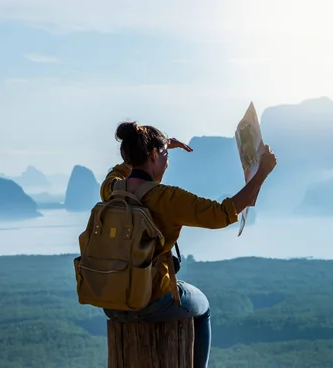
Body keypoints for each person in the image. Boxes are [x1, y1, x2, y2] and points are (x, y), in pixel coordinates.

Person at [99, 121, 277, 368]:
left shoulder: (112, 190)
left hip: (112, 300)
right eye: (163, 154)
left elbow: (118, 172)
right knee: (202, 306)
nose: (167, 160)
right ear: (151, 155)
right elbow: (221, 213)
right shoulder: (167, 198)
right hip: (150, 300)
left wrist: (155, 149)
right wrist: (262, 174)